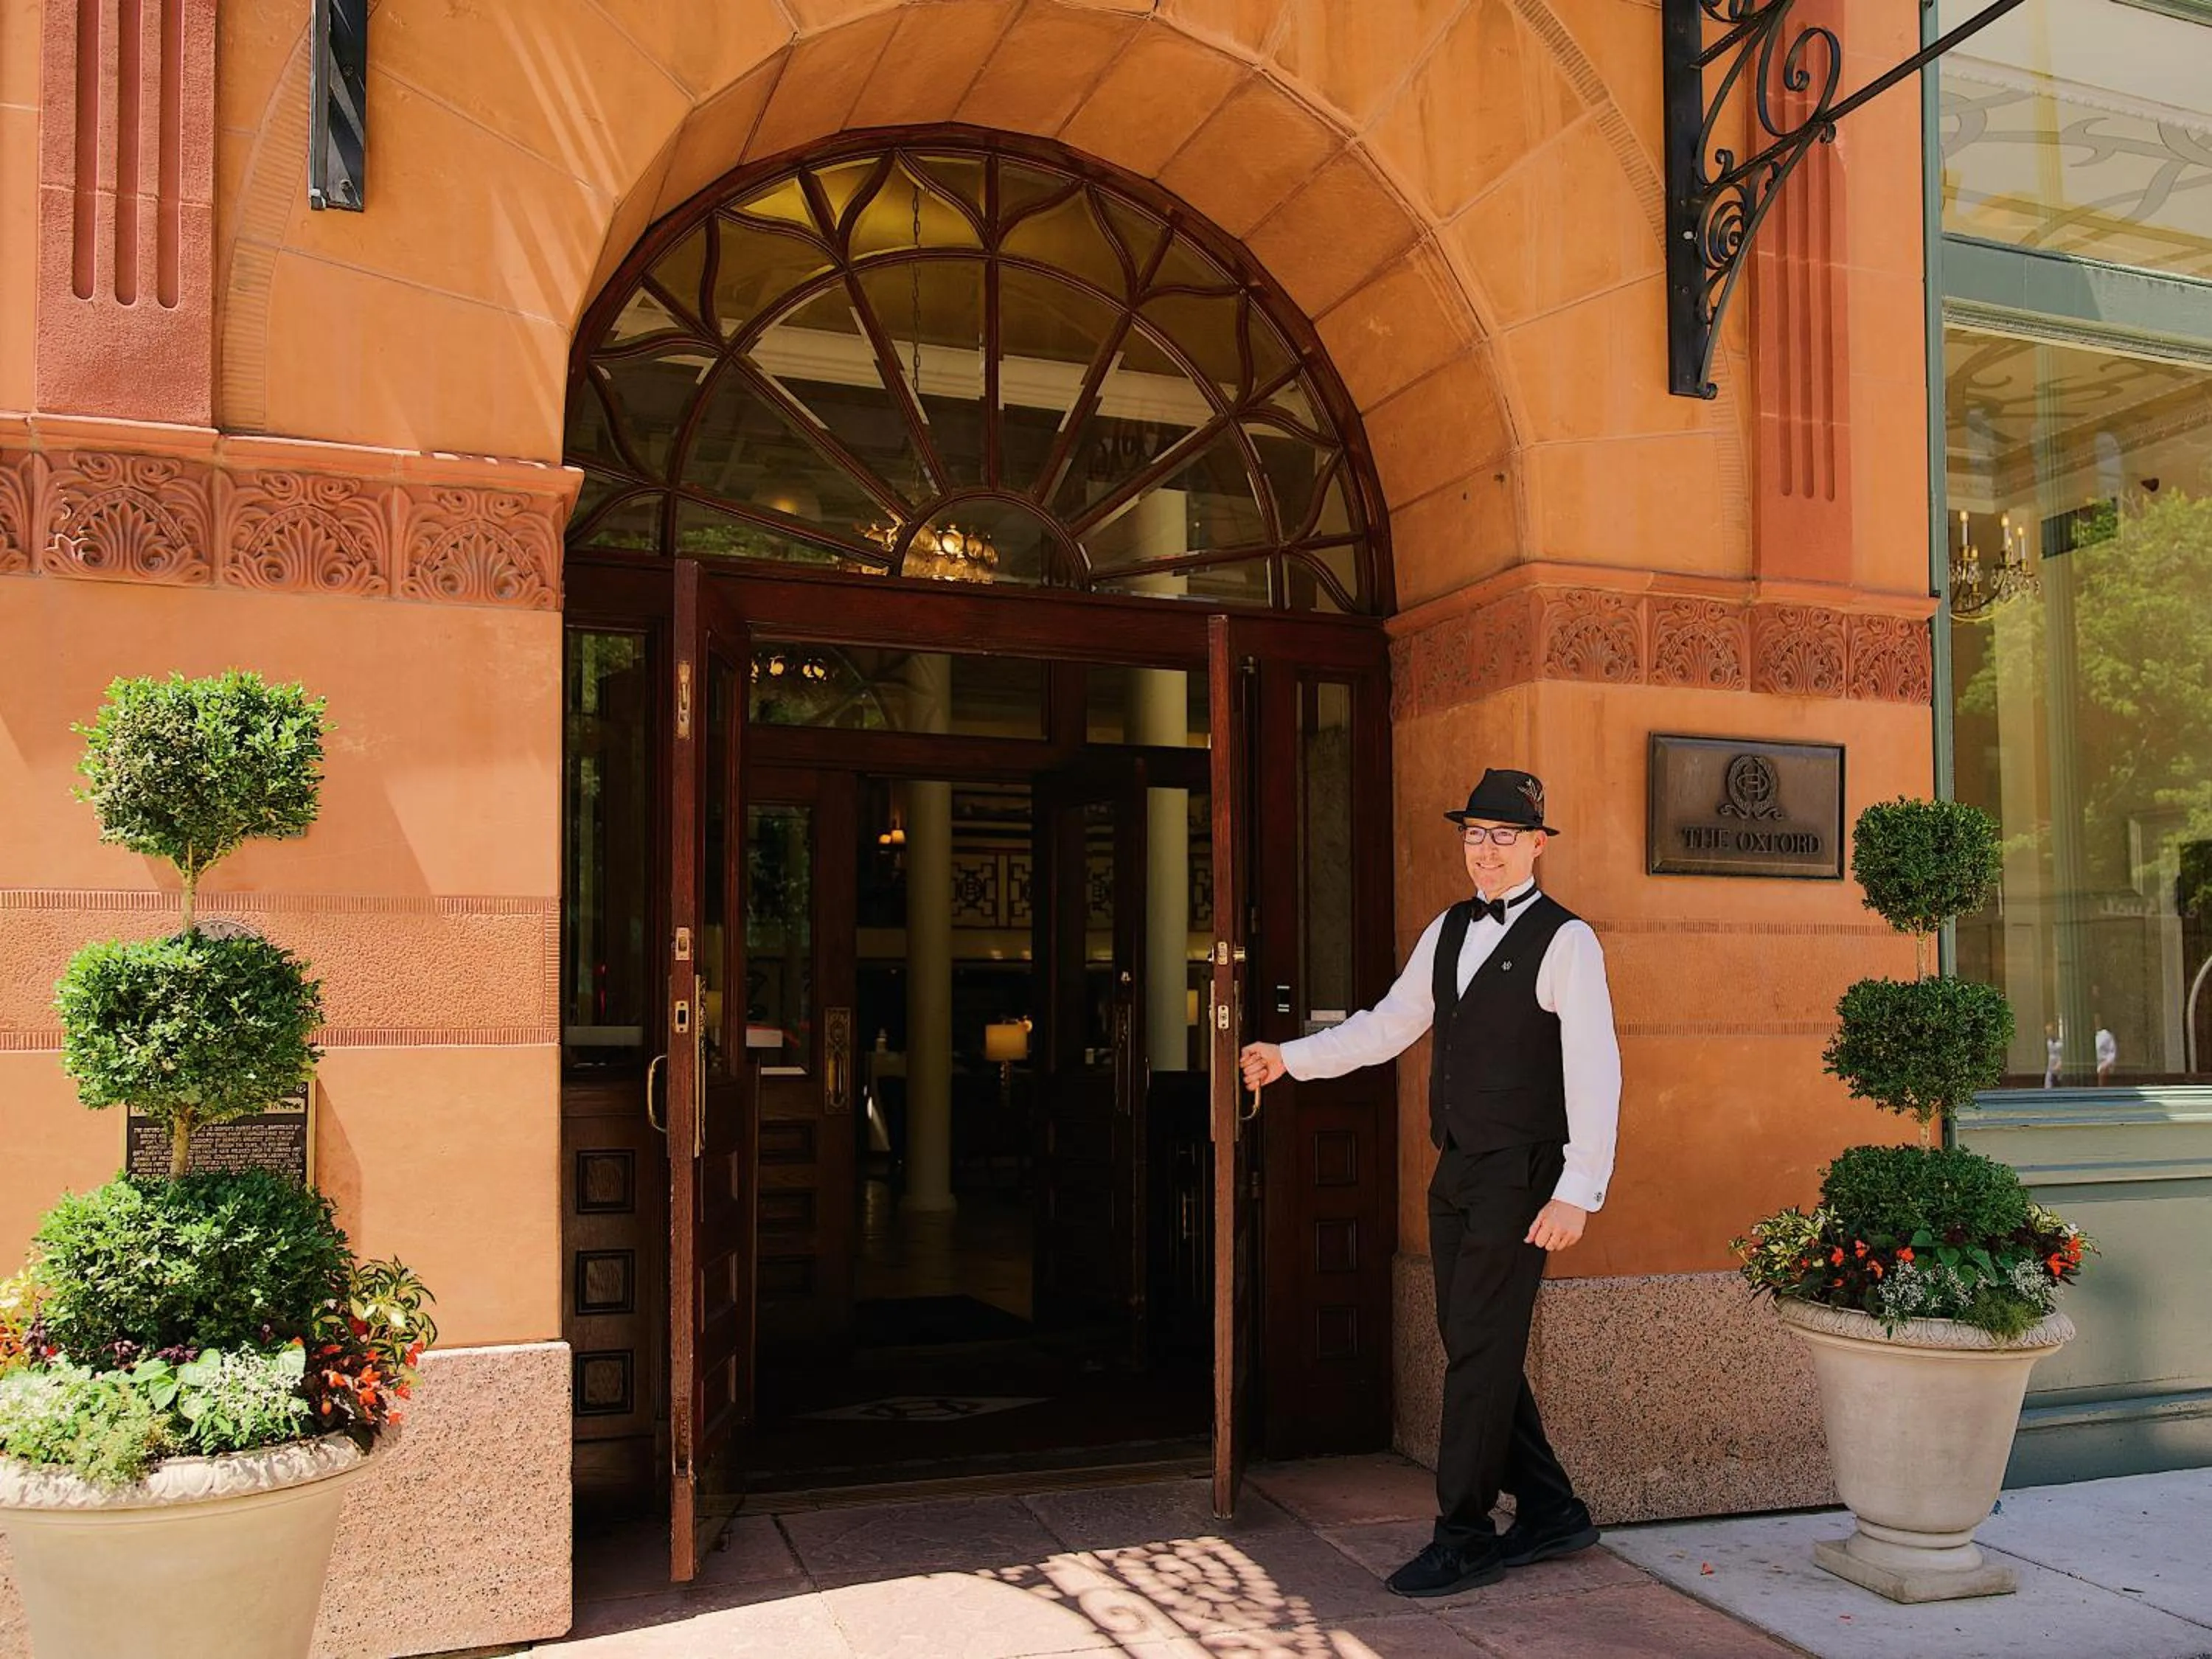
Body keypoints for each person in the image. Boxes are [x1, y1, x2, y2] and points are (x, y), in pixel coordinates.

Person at [1240, 768, 1621, 1597]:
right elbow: (1388, 1026)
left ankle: (1465, 1535)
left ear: (1537, 845)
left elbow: (1596, 1069)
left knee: (1476, 1356)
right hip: (1458, 1171)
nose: (1485, 852)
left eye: (1504, 837)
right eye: (1474, 836)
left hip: (1524, 1178)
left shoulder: (1567, 941)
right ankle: (1554, 1510)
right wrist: (1290, 1059)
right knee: (1475, 1348)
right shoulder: (1448, 929)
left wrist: (1577, 1189)